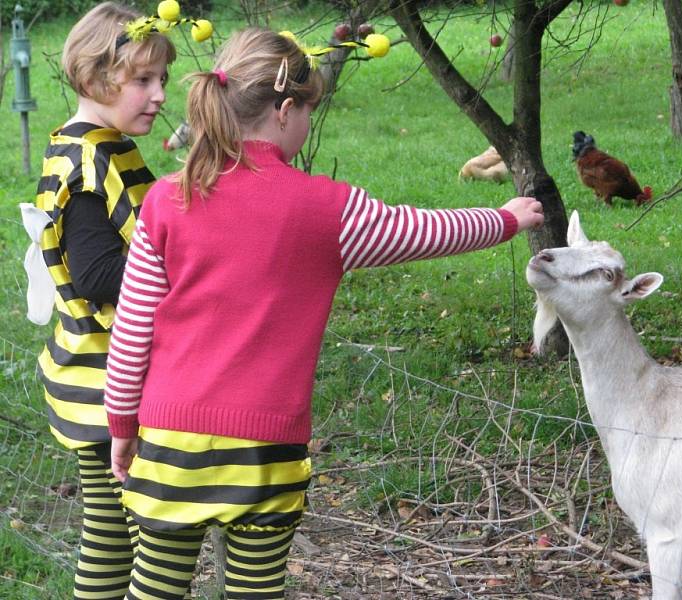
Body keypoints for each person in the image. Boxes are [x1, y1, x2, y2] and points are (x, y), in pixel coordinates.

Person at [103, 27, 544, 600]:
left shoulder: (166, 199)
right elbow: (426, 230)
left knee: (154, 591)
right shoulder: (328, 211)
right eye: (309, 109)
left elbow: (132, 331)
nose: (307, 120)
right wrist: (507, 218)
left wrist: (120, 427)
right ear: (285, 110)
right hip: (267, 453)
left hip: (170, 444)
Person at [32, 3, 176, 599]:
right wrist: (187, 261)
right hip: (104, 380)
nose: (160, 94)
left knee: (111, 535)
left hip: (93, 376)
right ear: (95, 81)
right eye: (144, 80)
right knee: (143, 535)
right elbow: (98, 276)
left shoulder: (96, 142)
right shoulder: (92, 158)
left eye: (162, 79)